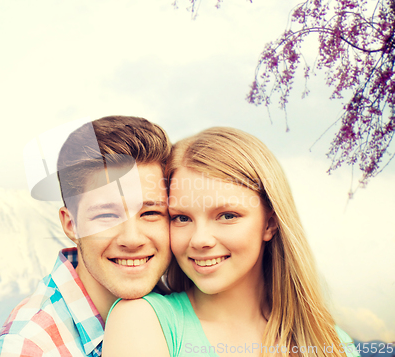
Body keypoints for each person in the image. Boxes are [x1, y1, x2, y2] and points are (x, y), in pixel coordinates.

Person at [103, 127, 360, 357]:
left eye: (227, 215)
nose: (200, 239)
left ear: (269, 223)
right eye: (182, 218)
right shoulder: (143, 321)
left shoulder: (333, 342)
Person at [0, 115, 172, 356]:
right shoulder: (29, 347)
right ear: (71, 224)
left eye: (151, 212)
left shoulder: (183, 309)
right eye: (107, 215)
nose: (132, 239)